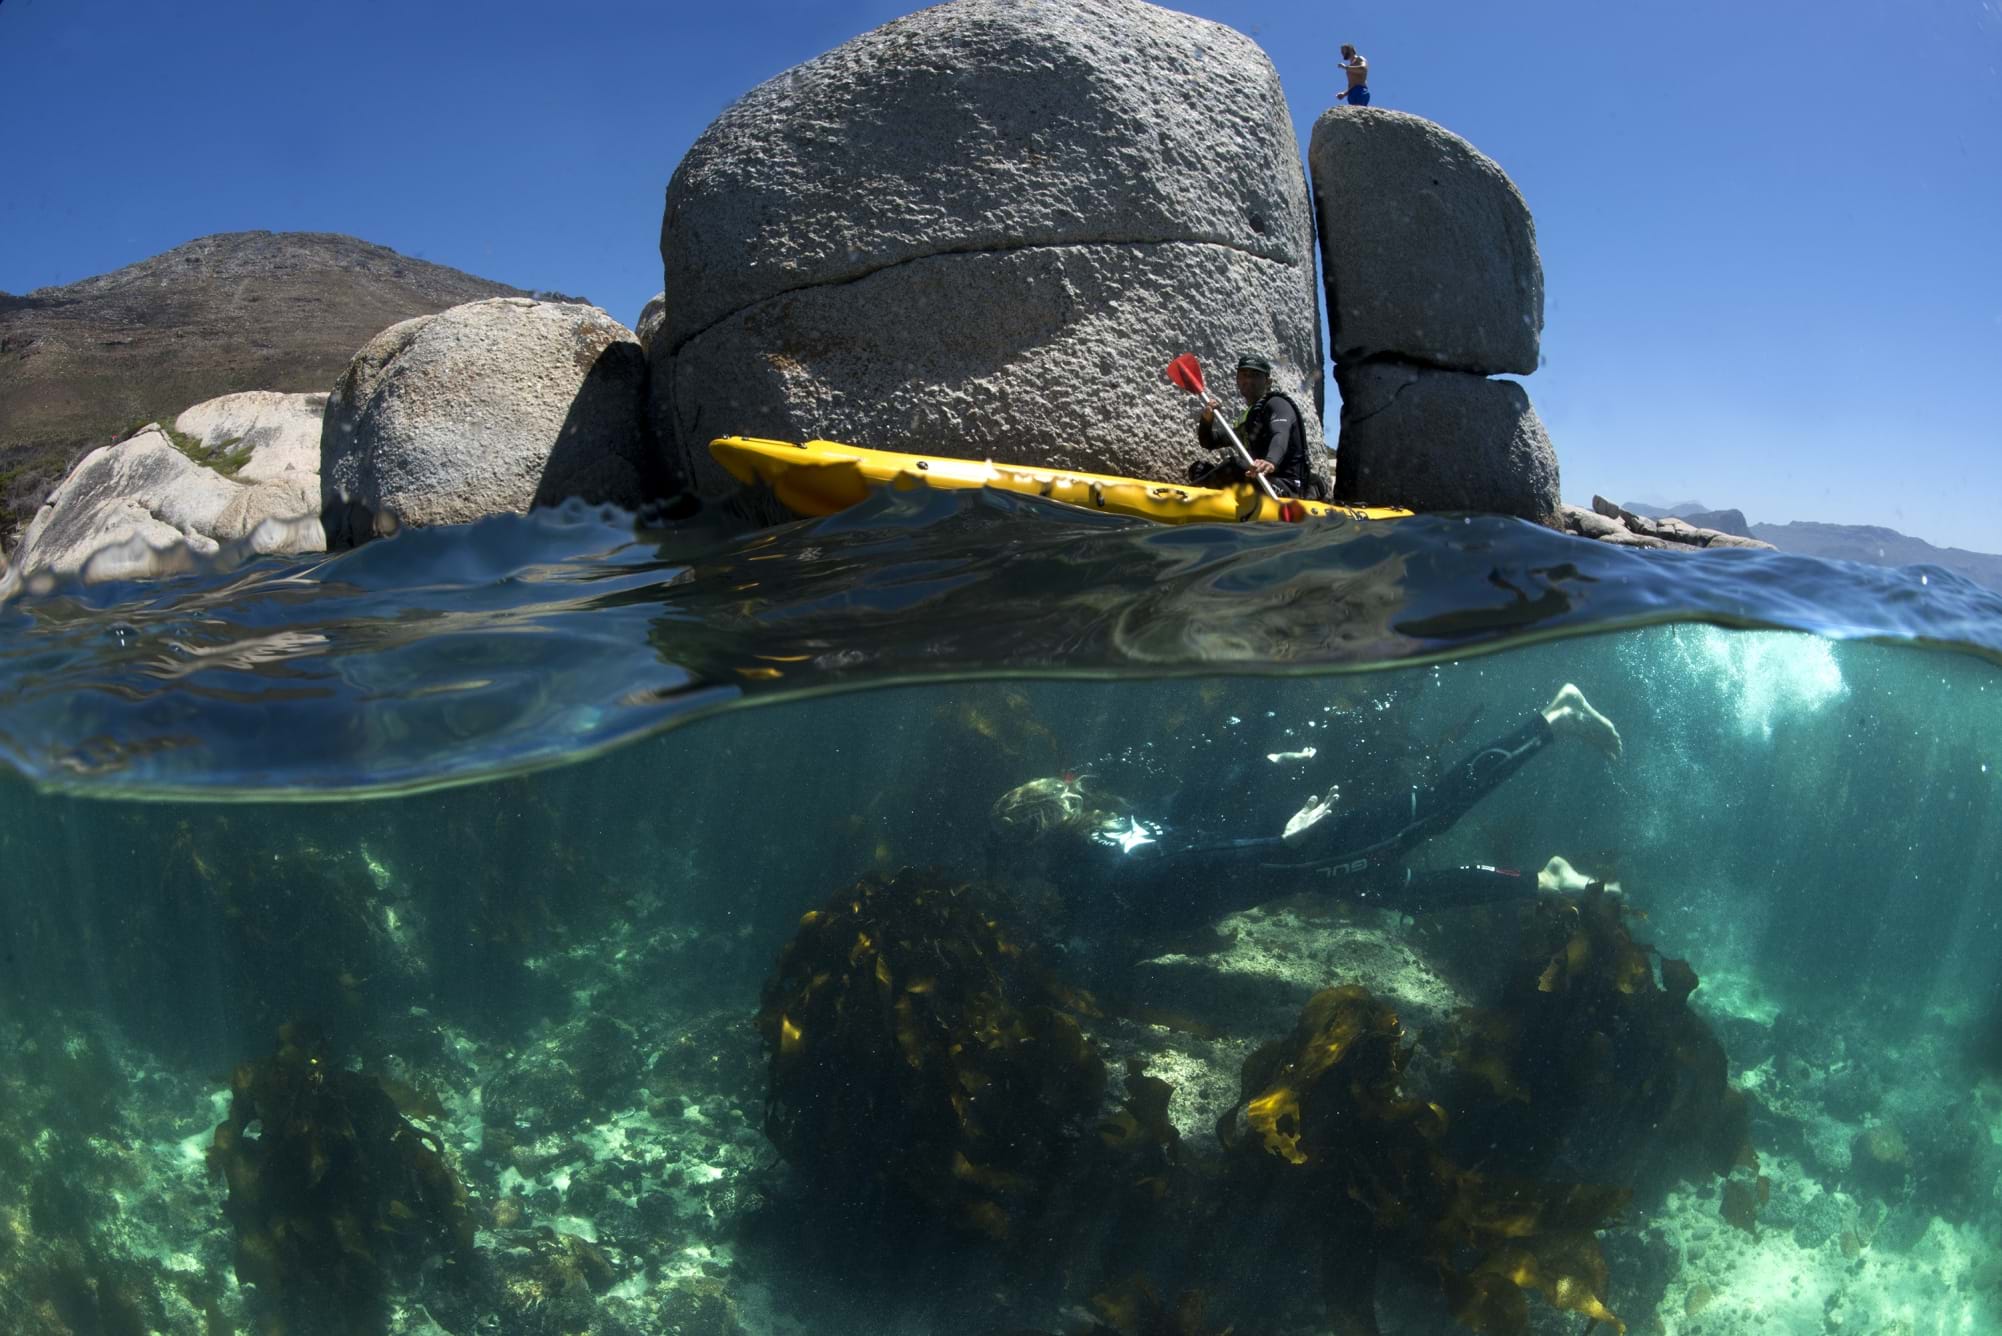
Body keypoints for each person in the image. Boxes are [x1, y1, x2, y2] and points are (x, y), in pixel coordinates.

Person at [989, 684, 1623, 937]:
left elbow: (1187, 856)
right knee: (1399, 890)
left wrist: (1281, 845)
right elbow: (1187, 808)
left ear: (1040, 837)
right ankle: (1547, 882)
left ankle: (1555, 719)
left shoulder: (1103, 856)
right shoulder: (1109, 825)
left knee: (1431, 814)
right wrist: (1267, 767)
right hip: (1281, 854)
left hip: (1293, 852)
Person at [1189, 352, 1317, 497]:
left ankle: (1180, 500)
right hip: (1259, 480)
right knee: (1199, 469)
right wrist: (1207, 420)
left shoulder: (1278, 404)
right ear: (1237, 380)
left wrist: (1270, 461)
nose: (1248, 380)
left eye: (1255, 375)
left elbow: (1280, 434)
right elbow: (1208, 442)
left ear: (1268, 382)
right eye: (1244, 375)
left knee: (1235, 466)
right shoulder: (1249, 419)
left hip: (1286, 486)